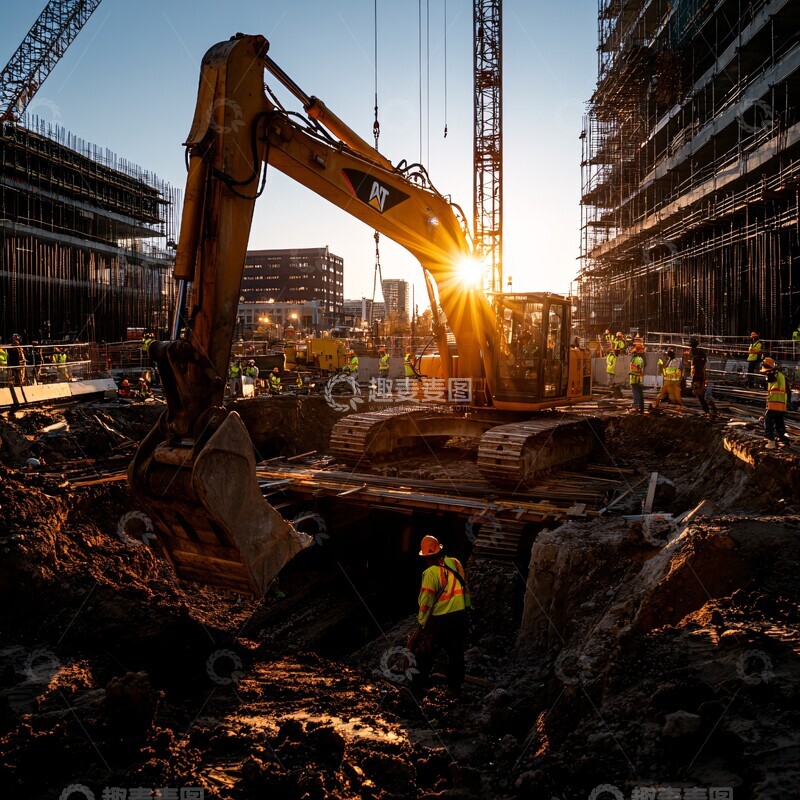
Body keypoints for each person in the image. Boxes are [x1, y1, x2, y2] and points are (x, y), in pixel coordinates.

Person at [407, 535, 471, 699]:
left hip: (438, 620)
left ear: (426, 556)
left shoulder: (430, 573)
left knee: (425, 654)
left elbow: (426, 602)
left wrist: (421, 624)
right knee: (456, 653)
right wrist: (467, 611)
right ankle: (454, 689)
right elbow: (466, 588)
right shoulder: (455, 563)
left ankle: (415, 689)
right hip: (458, 617)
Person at [760, 358, 789, 449]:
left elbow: (771, 382)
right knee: (779, 422)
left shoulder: (773, 374)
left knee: (769, 421)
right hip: (781, 404)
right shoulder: (780, 375)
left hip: (774, 404)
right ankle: (783, 440)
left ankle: (770, 440)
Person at [688, 337, 718, 419]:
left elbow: (693, 369)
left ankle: (708, 411)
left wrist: (693, 377)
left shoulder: (695, 357)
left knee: (700, 396)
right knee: (701, 394)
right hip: (701, 376)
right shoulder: (701, 354)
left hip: (697, 377)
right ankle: (709, 411)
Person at [629, 342, 645, 412]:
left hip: (635, 379)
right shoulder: (640, 359)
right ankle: (641, 407)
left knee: (636, 394)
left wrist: (631, 373)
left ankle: (636, 407)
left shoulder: (637, 359)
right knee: (639, 394)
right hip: (638, 379)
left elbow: (637, 370)